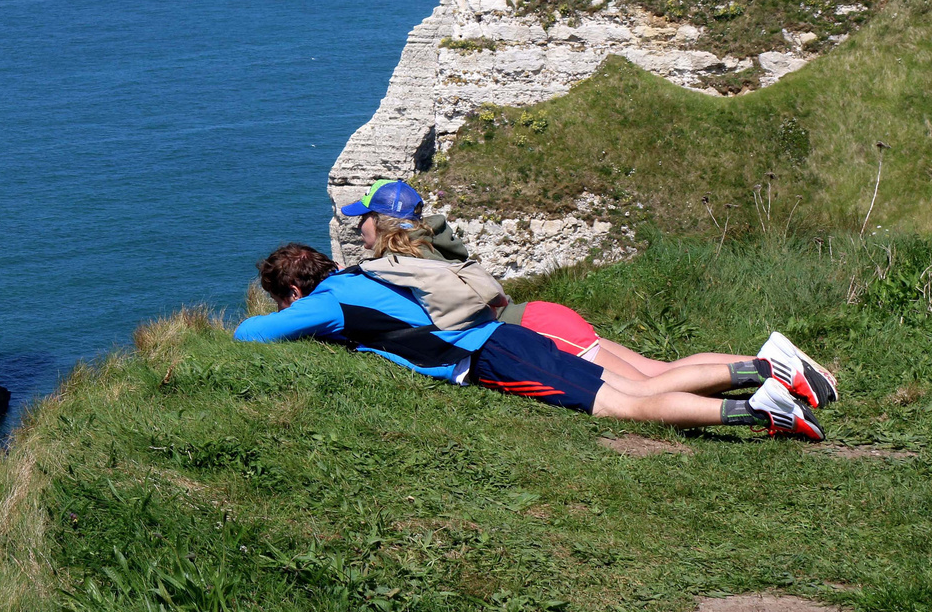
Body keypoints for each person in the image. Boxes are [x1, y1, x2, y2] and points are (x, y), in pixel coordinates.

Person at [239, 241, 831, 439]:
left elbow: (248, 335)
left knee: (627, 407)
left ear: (292, 291)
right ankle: (764, 372)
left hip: (484, 358)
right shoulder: (363, 274)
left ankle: (760, 414)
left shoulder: (322, 306)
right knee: (638, 381)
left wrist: (293, 321)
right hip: (508, 333)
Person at [336, 180, 837, 402]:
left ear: (380, 223)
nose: (358, 229)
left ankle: (780, 372)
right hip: (540, 316)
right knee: (657, 371)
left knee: (650, 383)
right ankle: (786, 366)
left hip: (533, 327)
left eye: (363, 220)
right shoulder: (431, 242)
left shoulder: (404, 261)